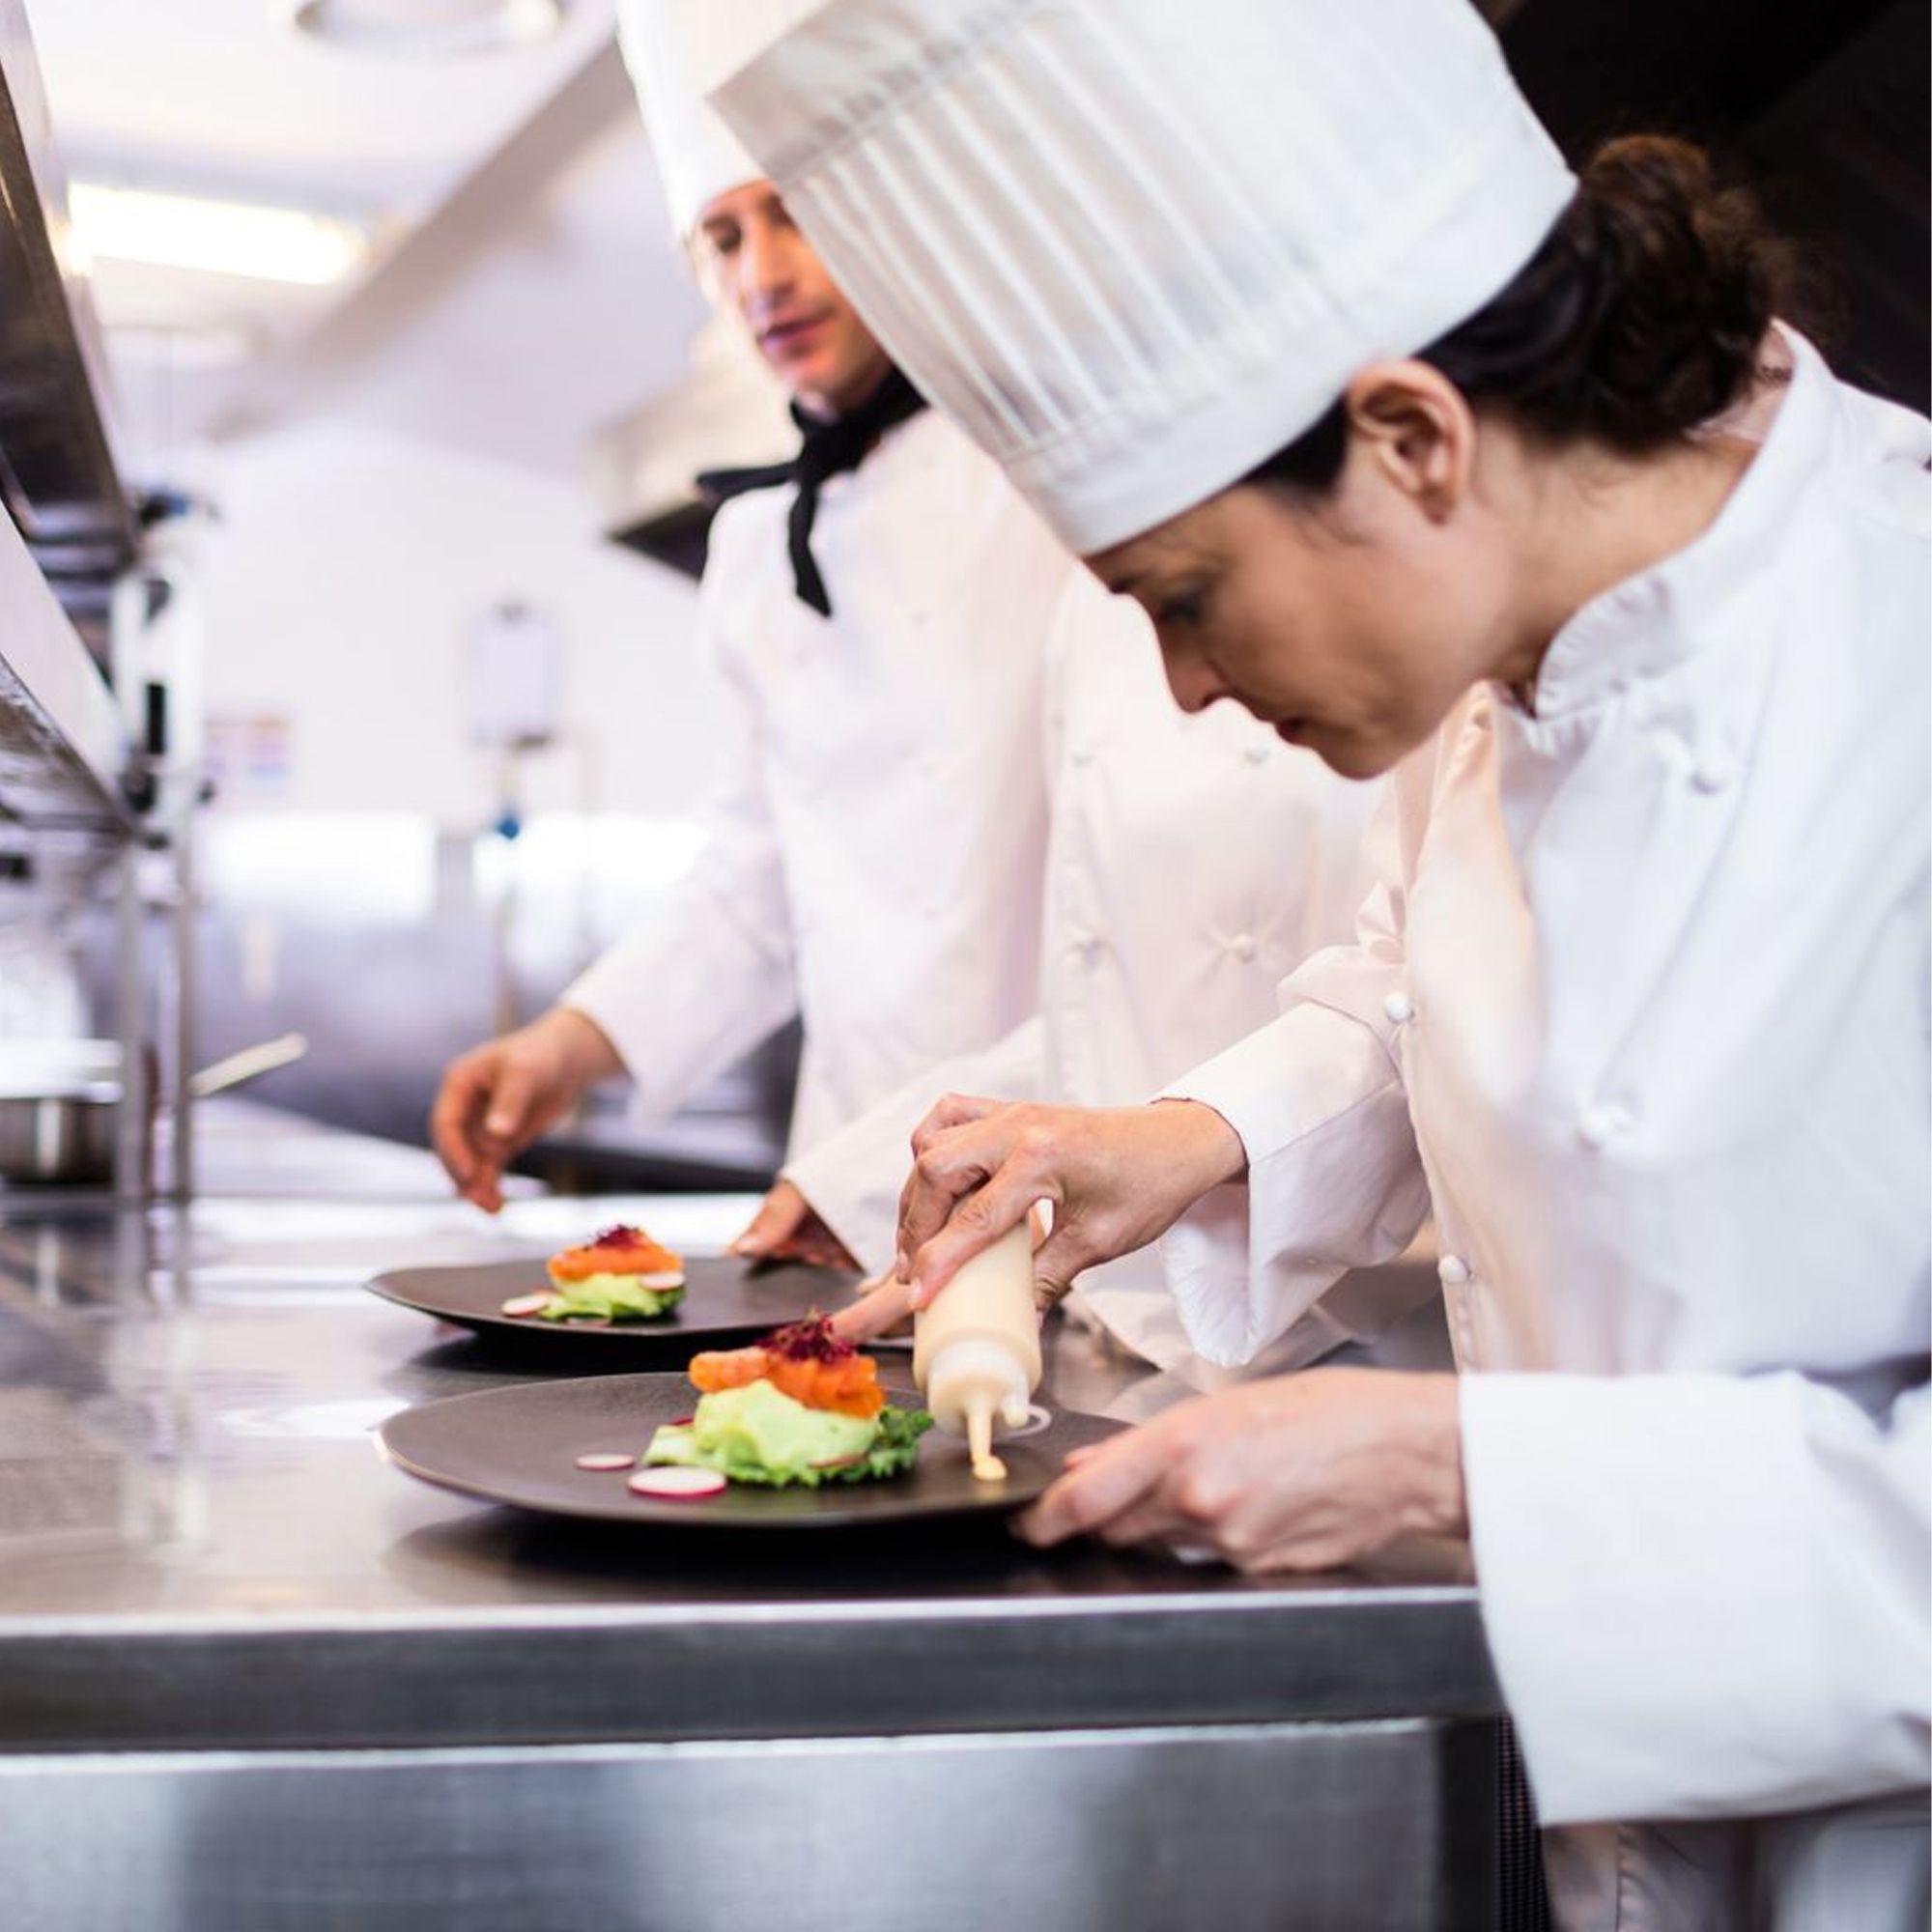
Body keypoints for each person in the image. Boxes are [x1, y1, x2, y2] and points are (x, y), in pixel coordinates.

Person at [712, 0, 1930, 1919]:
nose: (1189, 685)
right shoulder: (1507, 673)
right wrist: (1181, 1136)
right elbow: (1419, 985)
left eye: (1187, 601)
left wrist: (1468, 1482)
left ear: (1410, 435)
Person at [429, 0, 1075, 1238]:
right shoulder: (753, 551)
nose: (758, 277)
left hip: (1073, 1179)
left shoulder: (1055, 491)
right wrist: (575, 1042)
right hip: (846, 1191)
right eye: (718, 238)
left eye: (793, 214)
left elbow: (1134, 921)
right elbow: (756, 880)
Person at [785, 568, 1412, 1389]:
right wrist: (856, 1186)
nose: (1184, 687)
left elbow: (1414, 998)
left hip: (1365, 1325)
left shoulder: (1410, 620)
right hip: (1117, 1318)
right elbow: (1098, 1002)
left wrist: (1186, 1137)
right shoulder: (1082, 602)